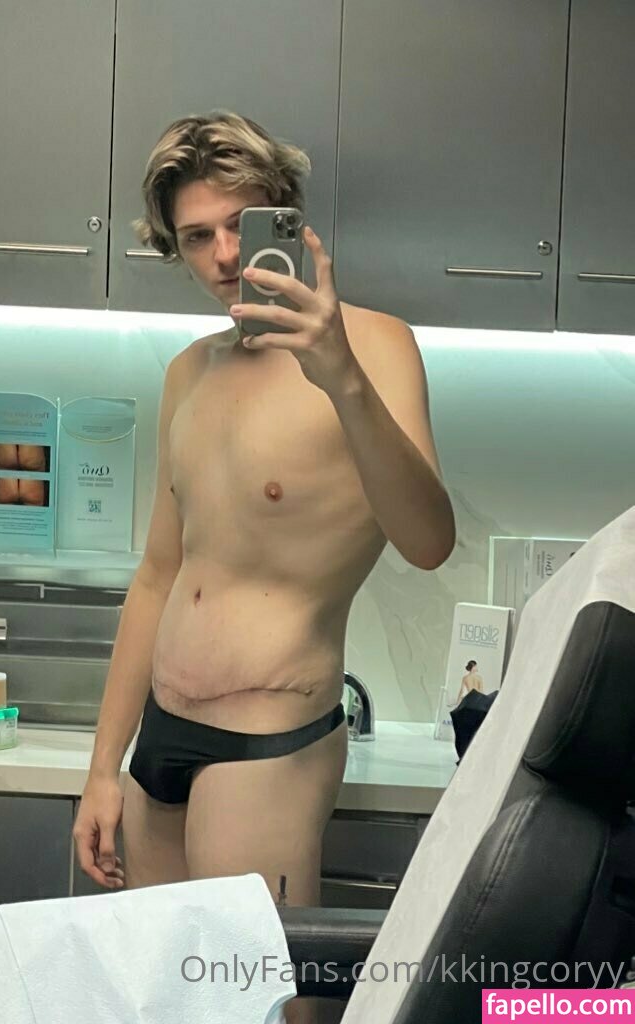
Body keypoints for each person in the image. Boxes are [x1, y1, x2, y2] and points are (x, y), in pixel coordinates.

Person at [73, 111, 455, 1021]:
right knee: (165, 1005)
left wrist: (339, 376)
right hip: (159, 738)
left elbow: (427, 540)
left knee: (259, 1008)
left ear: (285, 216)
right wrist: (102, 766)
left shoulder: (375, 345)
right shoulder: (188, 371)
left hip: (268, 742)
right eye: (193, 236)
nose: (220, 256)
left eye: (236, 225)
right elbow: (158, 576)